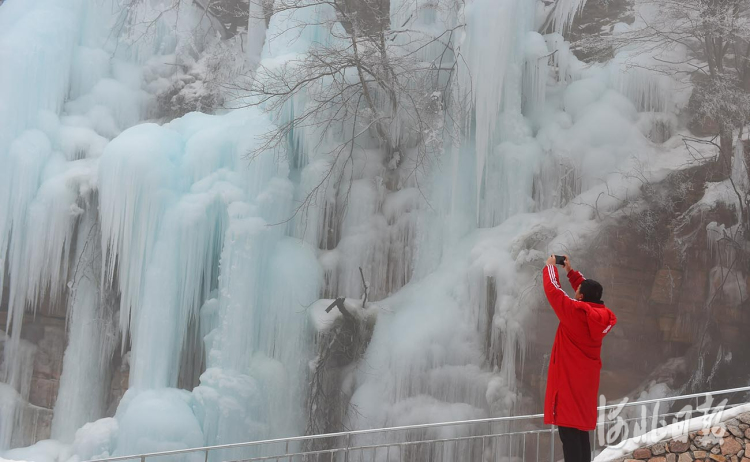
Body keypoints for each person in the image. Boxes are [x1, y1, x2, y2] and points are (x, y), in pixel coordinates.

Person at [542, 255, 617, 462]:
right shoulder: (599, 316)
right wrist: (571, 273)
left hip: (568, 385)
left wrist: (550, 267)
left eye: (577, 292)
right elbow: (587, 293)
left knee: (569, 436)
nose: (575, 294)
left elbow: (554, 292)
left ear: (581, 297)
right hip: (585, 387)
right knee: (581, 433)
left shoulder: (575, 314)